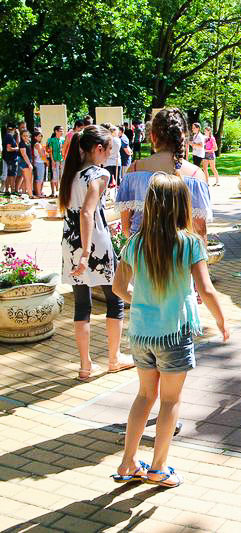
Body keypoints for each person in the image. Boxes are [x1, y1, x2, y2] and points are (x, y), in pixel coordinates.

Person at [111, 172, 229, 489]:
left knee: (144, 396)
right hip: (174, 334)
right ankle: (159, 468)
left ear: (149, 205)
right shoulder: (190, 243)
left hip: (141, 334)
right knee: (169, 401)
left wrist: (143, 301)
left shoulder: (135, 243)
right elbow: (206, 289)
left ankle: (128, 462)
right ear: (182, 206)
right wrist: (221, 320)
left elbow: (118, 287)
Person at [59, 125, 134, 380]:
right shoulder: (99, 174)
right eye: (109, 150)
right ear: (98, 148)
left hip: (70, 242)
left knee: (82, 305)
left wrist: (80, 251)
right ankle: (114, 358)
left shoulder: (70, 173)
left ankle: (85, 365)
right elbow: (87, 212)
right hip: (94, 244)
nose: (111, 155)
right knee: (115, 299)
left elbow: (79, 211)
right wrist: (86, 252)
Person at [116, 108, 211, 243]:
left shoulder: (134, 170)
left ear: (153, 136)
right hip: (182, 253)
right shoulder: (196, 175)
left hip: (142, 251)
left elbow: (126, 228)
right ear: (183, 136)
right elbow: (200, 232)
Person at [47, 126, 65, 197]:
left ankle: (61, 192)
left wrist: (62, 160)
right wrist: (52, 161)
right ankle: (53, 192)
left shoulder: (63, 139)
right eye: (60, 131)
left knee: (62, 176)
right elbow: (50, 151)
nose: (62, 132)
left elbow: (63, 150)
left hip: (62, 160)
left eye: (62, 130)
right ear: (56, 131)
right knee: (54, 176)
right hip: (54, 159)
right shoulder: (51, 140)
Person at [3, 124, 19, 195]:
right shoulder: (9, 136)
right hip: (11, 159)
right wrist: (16, 148)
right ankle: (12, 191)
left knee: (9, 174)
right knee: (12, 175)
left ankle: (7, 190)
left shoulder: (7, 136)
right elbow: (8, 149)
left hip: (8, 159)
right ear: (14, 129)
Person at [17, 130, 33, 196]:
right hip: (24, 162)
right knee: (28, 179)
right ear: (21, 136)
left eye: (27, 135)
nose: (26, 137)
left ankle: (24, 193)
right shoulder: (22, 143)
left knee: (25, 179)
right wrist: (29, 164)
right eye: (24, 136)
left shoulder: (28, 142)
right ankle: (31, 195)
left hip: (27, 161)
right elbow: (24, 154)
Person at [32, 130, 47, 198]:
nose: (41, 137)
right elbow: (42, 155)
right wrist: (47, 161)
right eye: (39, 136)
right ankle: (38, 193)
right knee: (39, 179)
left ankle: (39, 192)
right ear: (35, 137)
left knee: (39, 179)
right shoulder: (37, 144)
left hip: (39, 162)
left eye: (41, 136)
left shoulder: (37, 144)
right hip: (39, 163)